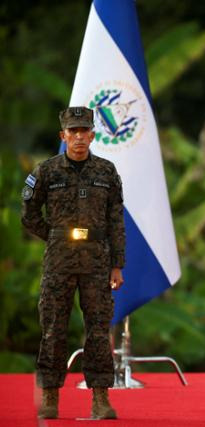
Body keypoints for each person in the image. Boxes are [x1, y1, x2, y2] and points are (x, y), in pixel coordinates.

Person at [21, 106, 126, 420]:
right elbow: (28, 216)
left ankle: (101, 398)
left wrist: (117, 265)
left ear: (93, 135)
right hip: (59, 262)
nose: (79, 137)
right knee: (53, 329)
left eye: (84, 132)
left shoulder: (107, 172)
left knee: (97, 330)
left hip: (97, 261)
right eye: (73, 132)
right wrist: (55, 237)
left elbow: (116, 221)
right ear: (62, 135)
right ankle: (51, 396)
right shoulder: (46, 172)